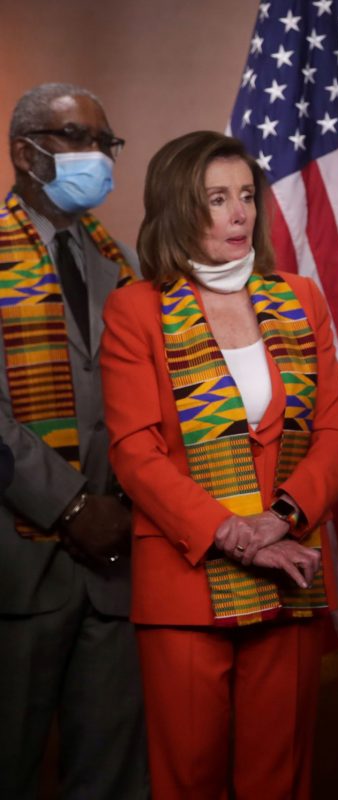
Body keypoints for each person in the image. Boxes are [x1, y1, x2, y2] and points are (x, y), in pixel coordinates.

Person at [99, 130, 338, 799]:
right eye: (218, 199)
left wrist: (281, 519)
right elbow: (134, 451)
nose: (240, 213)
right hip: (186, 584)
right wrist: (235, 534)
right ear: (178, 209)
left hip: (291, 573)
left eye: (246, 196)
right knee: (191, 780)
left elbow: (335, 433)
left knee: (279, 780)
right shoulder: (136, 309)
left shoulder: (300, 297)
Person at [0, 83, 148, 799]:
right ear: (25, 154)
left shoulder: (120, 260)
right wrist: (68, 506)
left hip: (115, 561)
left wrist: (118, 501)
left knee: (114, 779)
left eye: (105, 141)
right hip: (18, 565)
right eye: (77, 139)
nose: (98, 156)